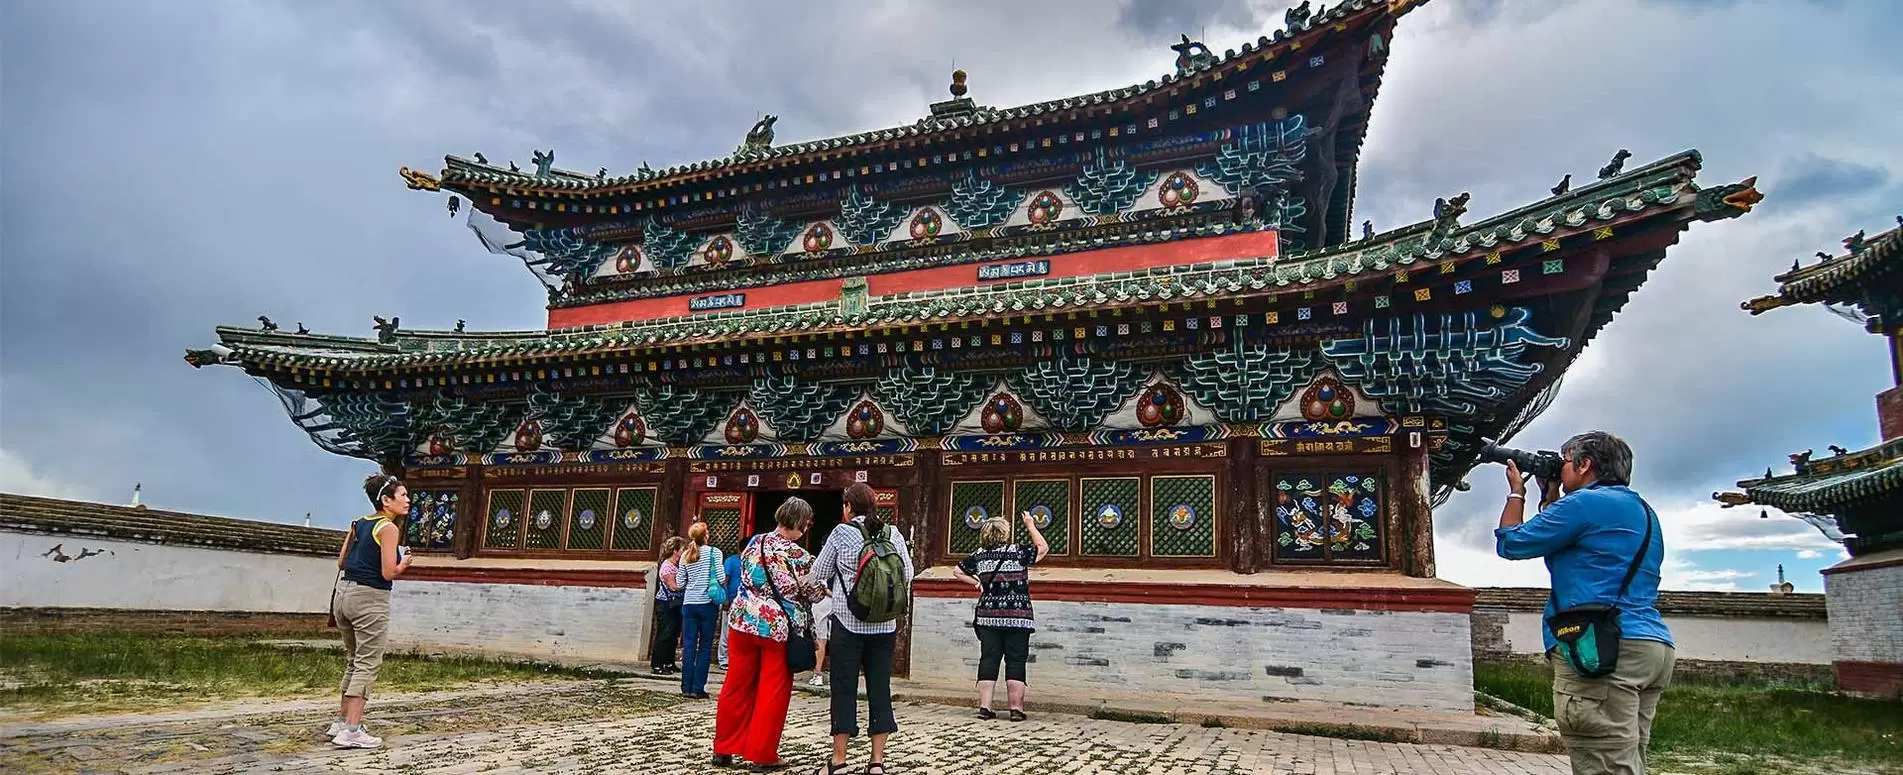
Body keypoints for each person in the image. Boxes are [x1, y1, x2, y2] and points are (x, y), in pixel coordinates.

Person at [1494, 431, 1673, 775]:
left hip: (1602, 649)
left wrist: (1517, 492)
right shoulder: (1640, 509)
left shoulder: (1585, 505)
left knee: (1602, 765)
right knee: (1627, 762)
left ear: (1585, 464)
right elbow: (1566, 541)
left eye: (1564, 462)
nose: (1559, 470)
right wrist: (1550, 498)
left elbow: (1513, 543)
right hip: (1649, 645)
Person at [712, 497, 828, 773]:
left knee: (735, 685)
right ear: (801, 524)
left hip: (741, 621)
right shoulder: (799, 555)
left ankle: (723, 747)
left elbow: (746, 573)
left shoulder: (754, 542)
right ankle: (763, 754)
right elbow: (814, 591)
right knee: (772, 690)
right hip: (776, 627)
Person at [811, 483, 914, 775]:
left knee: (843, 688)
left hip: (848, 623)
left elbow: (819, 573)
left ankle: (839, 761)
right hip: (884, 625)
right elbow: (908, 573)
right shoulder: (892, 532)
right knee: (880, 689)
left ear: (847, 506)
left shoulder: (841, 533)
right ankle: (877, 762)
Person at [325, 472, 414, 749]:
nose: (407, 500)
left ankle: (341, 721)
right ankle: (352, 729)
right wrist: (405, 563)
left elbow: (342, 562)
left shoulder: (359, 523)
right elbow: (388, 572)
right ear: (386, 501)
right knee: (367, 662)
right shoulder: (388, 528)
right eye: (402, 496)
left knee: (354, 659)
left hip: (344, 594)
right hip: (369, 598)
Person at [951, 510, 1050, 721]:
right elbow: (1043, 548)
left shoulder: (979, 556)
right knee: (1016, 660)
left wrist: (977, 582)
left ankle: (985, 707)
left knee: (989, 658)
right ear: (1005, 533)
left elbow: (957, 571)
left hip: (988, 617)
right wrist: (1030, 525)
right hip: (1018, 617)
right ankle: (1016, 709)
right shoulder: (1017, 552)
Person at [676, 522, 728, 699]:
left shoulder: (685, 555)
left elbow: (680, 583)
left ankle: (686, 686)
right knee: (705, 646)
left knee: (689, 646)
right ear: (706, 536)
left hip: (689, 604)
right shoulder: (715, 553)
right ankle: (698, 687)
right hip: (707, 604)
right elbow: (721, 577)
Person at [650, 537, 686, 676]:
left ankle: (669, 662)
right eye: (682, 549)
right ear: (675, 551)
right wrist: (688, 586)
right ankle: (657, 664)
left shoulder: (677, 566)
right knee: (664, 633)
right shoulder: (667, 566)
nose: (683, 552)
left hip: (675, 604)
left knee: (673, 634)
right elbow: (673, 587)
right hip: (666, 604)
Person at [806, 579, 835, 688]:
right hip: (836, 603)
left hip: (821, 602)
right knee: (835, 638)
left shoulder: (820, 565)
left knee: (820, 640)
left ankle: (818, 674)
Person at [718, 548, 742, 671]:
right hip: (731, 600)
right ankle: (723, 659)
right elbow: (724, 581)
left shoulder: (751, 561)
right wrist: (725, 598)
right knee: (726, 632)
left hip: (744, 602)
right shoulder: (731, 561)